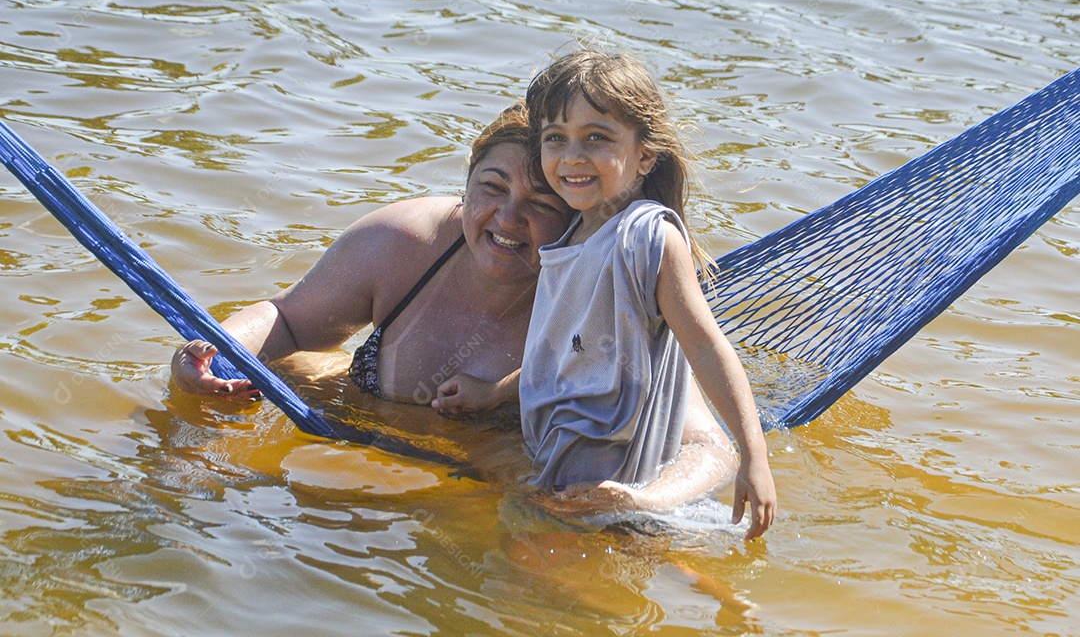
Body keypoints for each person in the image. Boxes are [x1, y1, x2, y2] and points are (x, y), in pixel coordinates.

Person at [170, 102, 738, 512]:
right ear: (465, 188)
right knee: (203, 434)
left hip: (484, 495)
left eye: (541, 201)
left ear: (578, 215)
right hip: (359, 439)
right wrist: (213, 356)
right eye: (492, 187)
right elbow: (289, 319)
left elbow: (711, 449)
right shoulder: (403, 241)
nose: (509, 218)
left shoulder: (614, 290)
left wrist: (640, 501)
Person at [440, 51, 776, 538]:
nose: (573, 157)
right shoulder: (571, 234)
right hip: (561, 471)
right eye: (556, 139)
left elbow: (706, 345)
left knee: (609, 565)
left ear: (644, 154)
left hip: (619, 483)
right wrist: (493, 393)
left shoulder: (647, 238)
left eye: (596, 138)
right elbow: (568, 356)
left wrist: (754, 455)